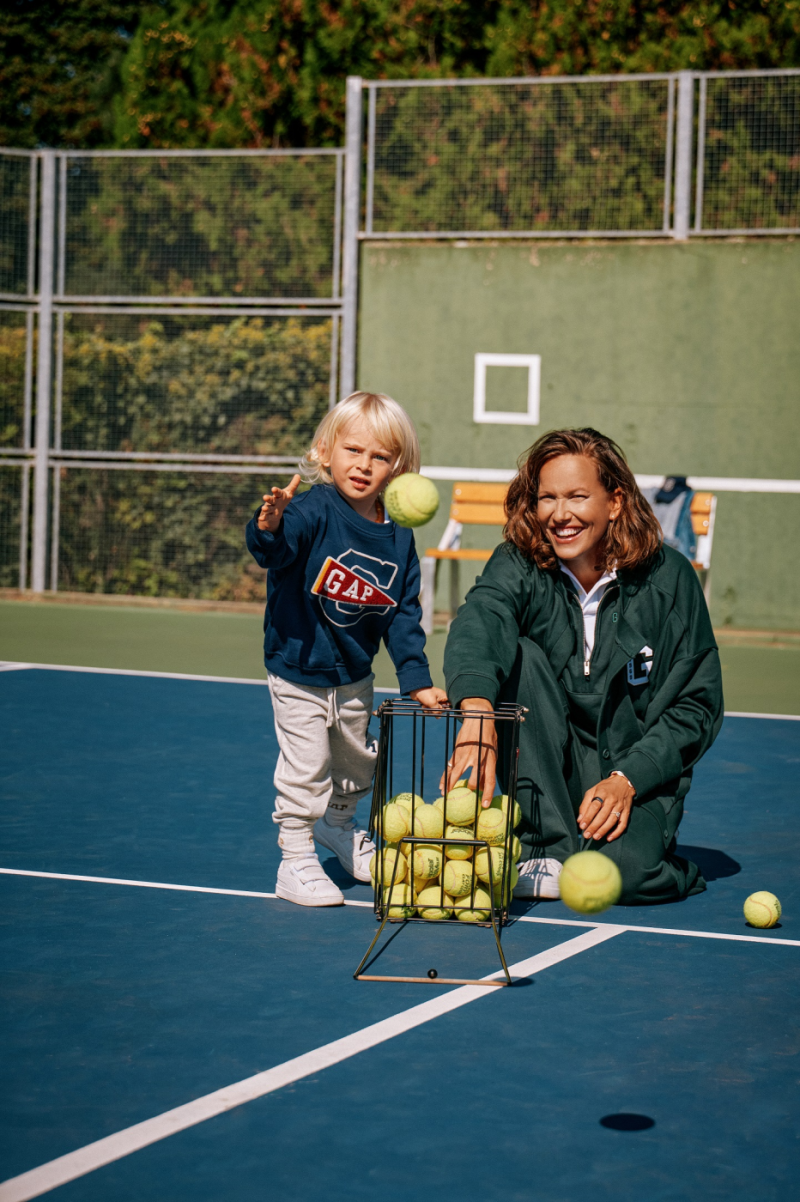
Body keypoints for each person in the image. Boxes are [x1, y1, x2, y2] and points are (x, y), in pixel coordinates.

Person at [442, 428, 723, 905]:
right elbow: (481, 618)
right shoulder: (518, 563)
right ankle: (544, 843)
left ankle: (669, 865)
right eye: (547, 498)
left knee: (625, 877)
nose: (560, 514)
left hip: (632, 777)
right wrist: (476, 712)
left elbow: (696, 705)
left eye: (577, 496)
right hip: (545, 769)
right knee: (521, 655)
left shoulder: (670, 578)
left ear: (615, 502)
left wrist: (628, 778)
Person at [246, 391, 447, 908]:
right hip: (297, 669)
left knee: (358, 765)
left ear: (398, 467)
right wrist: (268, 526)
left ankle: (339, 829)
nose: (363, 465)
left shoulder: (398, 537)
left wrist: (417, 680)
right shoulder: (312, 509)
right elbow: (278, 547)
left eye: (380, 457)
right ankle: (294, 860)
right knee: (307, 765)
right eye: (353, 450)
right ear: (324, 451)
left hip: (355, 674)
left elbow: (404, 614)